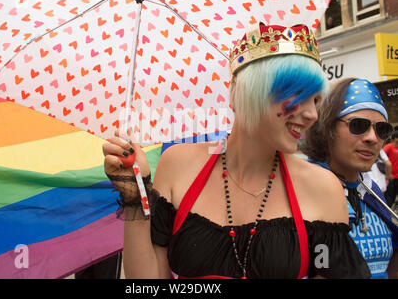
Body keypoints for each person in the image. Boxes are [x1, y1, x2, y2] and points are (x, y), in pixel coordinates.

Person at [103, 23, 370, 279]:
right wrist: (134, 196)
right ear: (249, 91)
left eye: (316, 100)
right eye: (299, 96)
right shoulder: (178, 164)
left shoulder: (322, 188)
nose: (312, 114)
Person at [304, 78, 397, 279]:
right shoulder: (302, 191)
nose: (372, 138)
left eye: (382, 129)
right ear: (326, 128)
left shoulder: (371, 191)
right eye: (358, 125)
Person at [384, 131, 398, 207]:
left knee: (394, 196)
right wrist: (388, 174)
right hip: (391, 177)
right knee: (389, 196)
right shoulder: (389, 147)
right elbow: (381, 160)